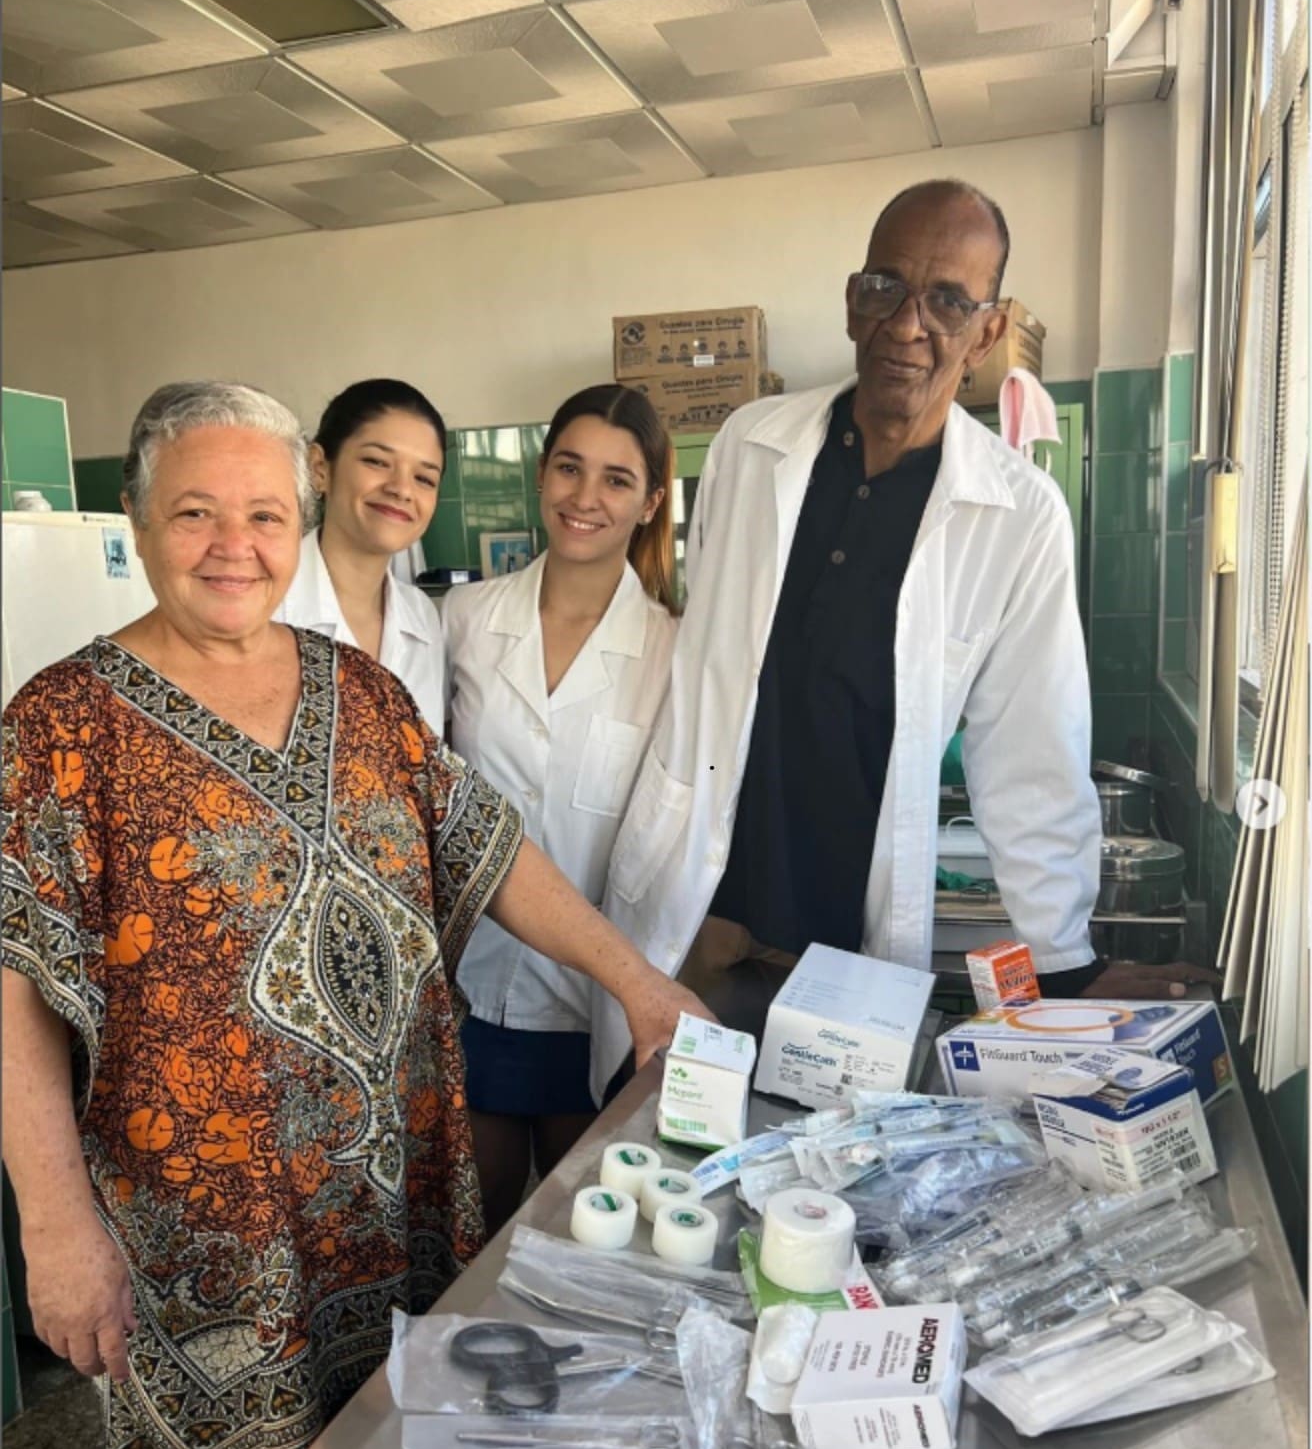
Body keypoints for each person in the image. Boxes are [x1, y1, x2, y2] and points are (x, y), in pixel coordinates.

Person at [0, 381, 707, 1449]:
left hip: (394, 1204)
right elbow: (15, 986)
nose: (234, 546)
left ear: (299, 516)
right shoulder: (61, 724)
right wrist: (52, 1223)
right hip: (210, 1250)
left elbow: (492, 846)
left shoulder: (364, 692)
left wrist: (639, 981)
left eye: (264, 515)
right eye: (194, 514)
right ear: (137, 521)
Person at [594, 178, 1198, 1096]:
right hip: (702, 926)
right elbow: (708, 669)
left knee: (821, 1193)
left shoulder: (1018, 515)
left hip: (853, 963)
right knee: (649, 1162)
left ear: (988, 331)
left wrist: (1065, 965)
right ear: (851, 300)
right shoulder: (750, 450)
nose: (908, 323)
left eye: (949, 300)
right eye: (885, 286)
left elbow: (1032, 755)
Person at [443, 384, 679, 1233]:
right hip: (471, 993)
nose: (588, 497)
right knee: (471, 1245)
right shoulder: (463, 621)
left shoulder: (673, 652)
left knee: (581, 1247)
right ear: (542, 476)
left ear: (652, 501)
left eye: (618, 480)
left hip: (600, 1006)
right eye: (571, 469)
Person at [276, 378, 446, 731]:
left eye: (424, 479)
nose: (401, 489)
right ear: (320, 468)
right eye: (377, 461)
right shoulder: (265, 604)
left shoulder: (422, 618)